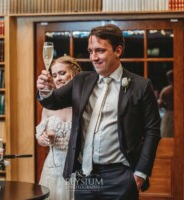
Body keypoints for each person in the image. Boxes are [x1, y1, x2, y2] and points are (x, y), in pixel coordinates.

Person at [37, 24, 161, 200]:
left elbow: (152, 131)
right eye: (90, 51)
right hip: (85, 175)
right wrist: (44, 90)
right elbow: (53, 101)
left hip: (120, 175)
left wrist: (140, 173)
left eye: (100, 51)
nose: (93, 57)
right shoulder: (82, 80)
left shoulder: (140, 86)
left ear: (118, 51)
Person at [35, 55, 81, 200]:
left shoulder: (83, 103)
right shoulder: (48, 105)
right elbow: (40, 137)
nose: (58, 78)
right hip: (53, 169)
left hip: (78, 168)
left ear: (74, 74)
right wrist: (42, 139)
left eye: (62, 73)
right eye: (54, 75)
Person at [158, 69, 174, 137]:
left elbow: (159, 104)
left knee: (166, 135)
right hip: (180, 114)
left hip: (169, 115)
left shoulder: (166, 90)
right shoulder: (181, 89)